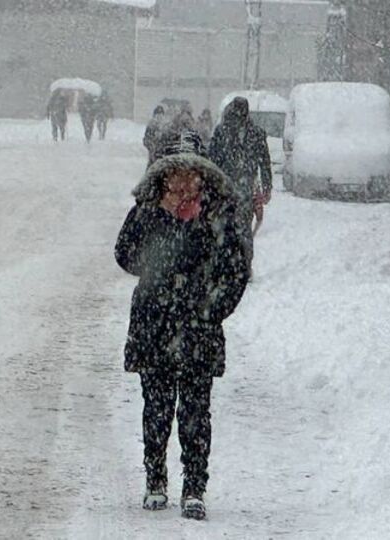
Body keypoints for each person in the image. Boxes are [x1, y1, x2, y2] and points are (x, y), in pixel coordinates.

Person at [115, 151, 250, 521]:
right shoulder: (146, 212)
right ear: (163, 180)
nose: (182, 186)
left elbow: (236, 271)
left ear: (202, 180)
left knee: (195, 412)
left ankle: (194, 485)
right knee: (156, 408)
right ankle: (155, 478)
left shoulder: (218, 217)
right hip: (154, 325)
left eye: (190, 178)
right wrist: (157, 267)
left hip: (198, 331)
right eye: (174, 179)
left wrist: (210, 309)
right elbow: (123, 252)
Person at [209, 97, 273, 257]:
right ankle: (241, 263)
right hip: (239, 188)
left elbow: (212, 161)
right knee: (241, 228)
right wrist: (266, 186)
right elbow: (265, 163)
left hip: (229, 188)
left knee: (228, 227)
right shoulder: (254, 133)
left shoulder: (222, 131)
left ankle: (230, 262)